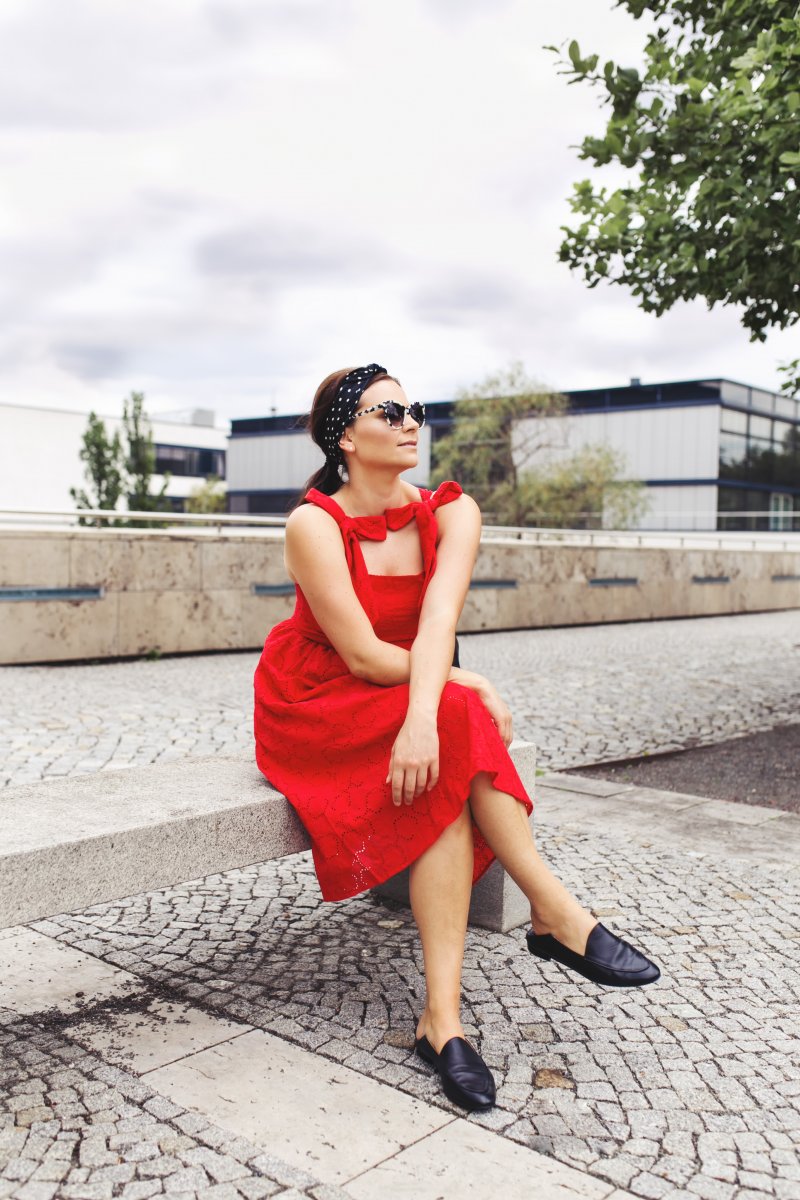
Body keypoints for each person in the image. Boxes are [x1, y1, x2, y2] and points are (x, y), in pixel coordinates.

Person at [254, 363, 660, 1113]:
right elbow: (364, 657)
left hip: (413, 684)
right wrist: (459, 688)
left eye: (416, 409)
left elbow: (440, 624)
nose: (412, 421)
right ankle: (554, 912)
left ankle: (443, 1020)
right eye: (390, 411)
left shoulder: (452, 511)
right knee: (454, 719)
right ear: (345, 435)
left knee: (445, 749)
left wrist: (437, 700)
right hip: (319, 697)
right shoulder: (314, 523)